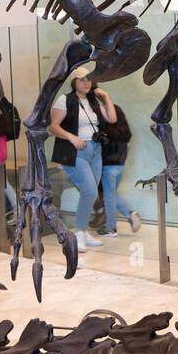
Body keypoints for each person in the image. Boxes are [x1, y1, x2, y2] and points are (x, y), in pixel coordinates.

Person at [51, 67, 116, 252]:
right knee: (90, 192)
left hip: (95, 151)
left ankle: (83, 231)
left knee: (89, 192)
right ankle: (78, 233)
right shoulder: (65, 100)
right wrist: (72, 137)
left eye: (89, 79)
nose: (86, 82)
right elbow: (53, 127)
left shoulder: (93, 100)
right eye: (82, 79)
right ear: (74, 82)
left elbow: (112, 118)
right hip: (75, 151)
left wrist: (106, 96)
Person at [99, 104, 143, 237]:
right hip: (120, 167)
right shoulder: (123, 132)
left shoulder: (105, 132)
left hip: (108, 167)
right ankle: (130, 215)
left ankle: (111, 227)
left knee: (109, 197)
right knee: (112, 194)